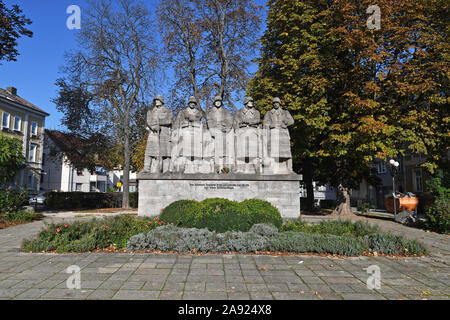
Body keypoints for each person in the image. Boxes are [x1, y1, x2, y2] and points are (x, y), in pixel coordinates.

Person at [263, 97, 294, 173]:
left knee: (286, 152)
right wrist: (270, 125)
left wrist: (285, 123)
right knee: (273, 152)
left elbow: (291, 121)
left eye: (277, 102)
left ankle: (289, 169)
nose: (276, 104)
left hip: (283, 134)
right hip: (273, 134)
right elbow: (264, 123)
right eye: (274, 103)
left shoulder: (285, 112)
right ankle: (272, 168)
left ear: (279, 103)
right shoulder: (269, 113)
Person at [143, 95, 173, 173]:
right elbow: (149, 121)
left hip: (164, 133)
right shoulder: (150, 112)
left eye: (158, 100)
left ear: (162, 101)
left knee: (165, 153)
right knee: (149, 151)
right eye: (155, 100)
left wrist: (159, 122)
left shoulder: (167, 111)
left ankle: (166, 170)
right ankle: (146, 168)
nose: (156, 101)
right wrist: (154, 126)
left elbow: (168, 121)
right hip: (153, 133)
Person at [205, 96, 235, 173]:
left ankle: (224, 170)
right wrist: (212, 130)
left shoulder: (225, 112)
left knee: (223, 152)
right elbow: (209, 121)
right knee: (213, 152)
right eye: (216, 101)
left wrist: (226, 129)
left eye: (219, 101)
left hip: (223, 132)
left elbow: (230, 120)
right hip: (214, 132)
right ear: (214, 102)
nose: (218, 102)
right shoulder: (210, 112)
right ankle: (214, 169)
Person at [234, 97, 261, 174]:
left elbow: (257, 120)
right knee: (241, 151)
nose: (251, 102)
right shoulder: (239, 112)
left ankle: (254, 169)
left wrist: (247, 121)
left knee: (253, 152)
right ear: (245, 102)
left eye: (252, 101)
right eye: (249, 101)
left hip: (253, 131)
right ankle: (240, 169)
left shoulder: (256, 112)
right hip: (242, 132)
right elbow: (237, 120)